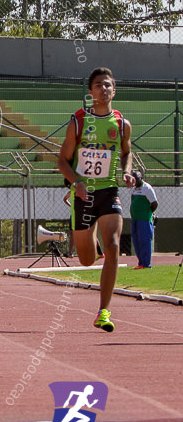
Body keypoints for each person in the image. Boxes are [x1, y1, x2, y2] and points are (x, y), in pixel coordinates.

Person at [57, 67, 133, 332]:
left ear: (115, 90)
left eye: (108, 85)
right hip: (82, 194)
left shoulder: (122, 123)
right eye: (99, 85)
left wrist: (125, 173)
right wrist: (76, 182)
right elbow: (62, 161)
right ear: (90, 92)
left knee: (113, 245)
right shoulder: (78, 122)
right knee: (86, 260)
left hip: (109, 191)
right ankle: (93, 247)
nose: (104, 89)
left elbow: (126, 153)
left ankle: (104, 312)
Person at [129, 170, 157, 270]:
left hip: (144, 219)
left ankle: (146, 264)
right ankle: (140, 262)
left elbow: (154, 203)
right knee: (136, 241)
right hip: (135, 219)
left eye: (136, 179)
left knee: (145, 241)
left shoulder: (147, 188)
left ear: (141, 178)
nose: (134, 181)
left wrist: (148, 213)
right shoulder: (133, 189)